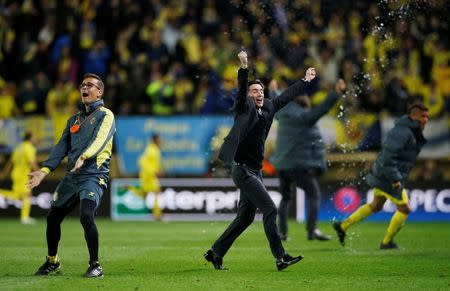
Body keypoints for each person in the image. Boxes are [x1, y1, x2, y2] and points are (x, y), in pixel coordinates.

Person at [204, 50, 316, 271]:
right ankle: (280, 256)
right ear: (248, 94)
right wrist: (244, 66)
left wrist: (305, 80)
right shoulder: (243, 107)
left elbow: (287, 96)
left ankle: (216, 252)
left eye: (261, 90)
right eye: (254, 90)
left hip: (255, 171)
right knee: (271, 209)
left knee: (245, 218)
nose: (259, 93)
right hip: (243, 170)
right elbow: (241, 90)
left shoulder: (269, 107)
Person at [27, 73, 115, 277]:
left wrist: (85, 156)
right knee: (52, 218)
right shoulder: (73, 120)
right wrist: (44, 170)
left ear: (99, 92)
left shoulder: (105, 115)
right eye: (83, 85)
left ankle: (95, 266)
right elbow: (60, 148)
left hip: (93, 175)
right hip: (71, 177)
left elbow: (100, 140)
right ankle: (52, 261)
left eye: (90, 85)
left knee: (86, 216)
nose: (85, 88)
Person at [333, 103, 429, 249]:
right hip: (388, 177)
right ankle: (386, 242)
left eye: (427, 116)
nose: (426, 119)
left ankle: (343, 226)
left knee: (376, 205)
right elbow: (389, 158)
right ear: (414, 116)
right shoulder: (403, 132)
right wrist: (395, 178)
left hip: (384, 174)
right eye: (423, 116)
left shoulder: (408, 131)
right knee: (405, 209)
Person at [272, 79, 346, 242]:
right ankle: (312, 231)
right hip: (299, 165)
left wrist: (273, 91)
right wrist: (336, 93)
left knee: (285, 198)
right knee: (314, 194)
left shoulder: (282, 114)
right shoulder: (305, 116)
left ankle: (282, 233)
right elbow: (322, 109)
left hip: (282, 164)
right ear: (303, 101)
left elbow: (277, 102)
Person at [0, 132, 39, 224]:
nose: (35, 139)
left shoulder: (18, 148)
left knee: (17, 195)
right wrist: (39, 172)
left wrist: (5, 173)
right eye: (34, 137)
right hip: (23, 174)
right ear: (30, 138)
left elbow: (11, 162)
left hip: (15, 173)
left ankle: (1, 192)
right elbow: (32, 161)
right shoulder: (29, 148)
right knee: (27, 195)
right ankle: (25, 218)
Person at [138, 134, 163, 220]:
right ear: (155, 140)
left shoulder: (155, 149)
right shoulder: (151, 150)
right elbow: (142, 161)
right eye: (159, 139)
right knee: (155, 192)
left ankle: (157, 215)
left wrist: (158, 169)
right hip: (148, 176)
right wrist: (154, 172)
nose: (161, 141)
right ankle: (157, 215)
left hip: (150, 176)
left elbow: (153, 163)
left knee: (154, 192)